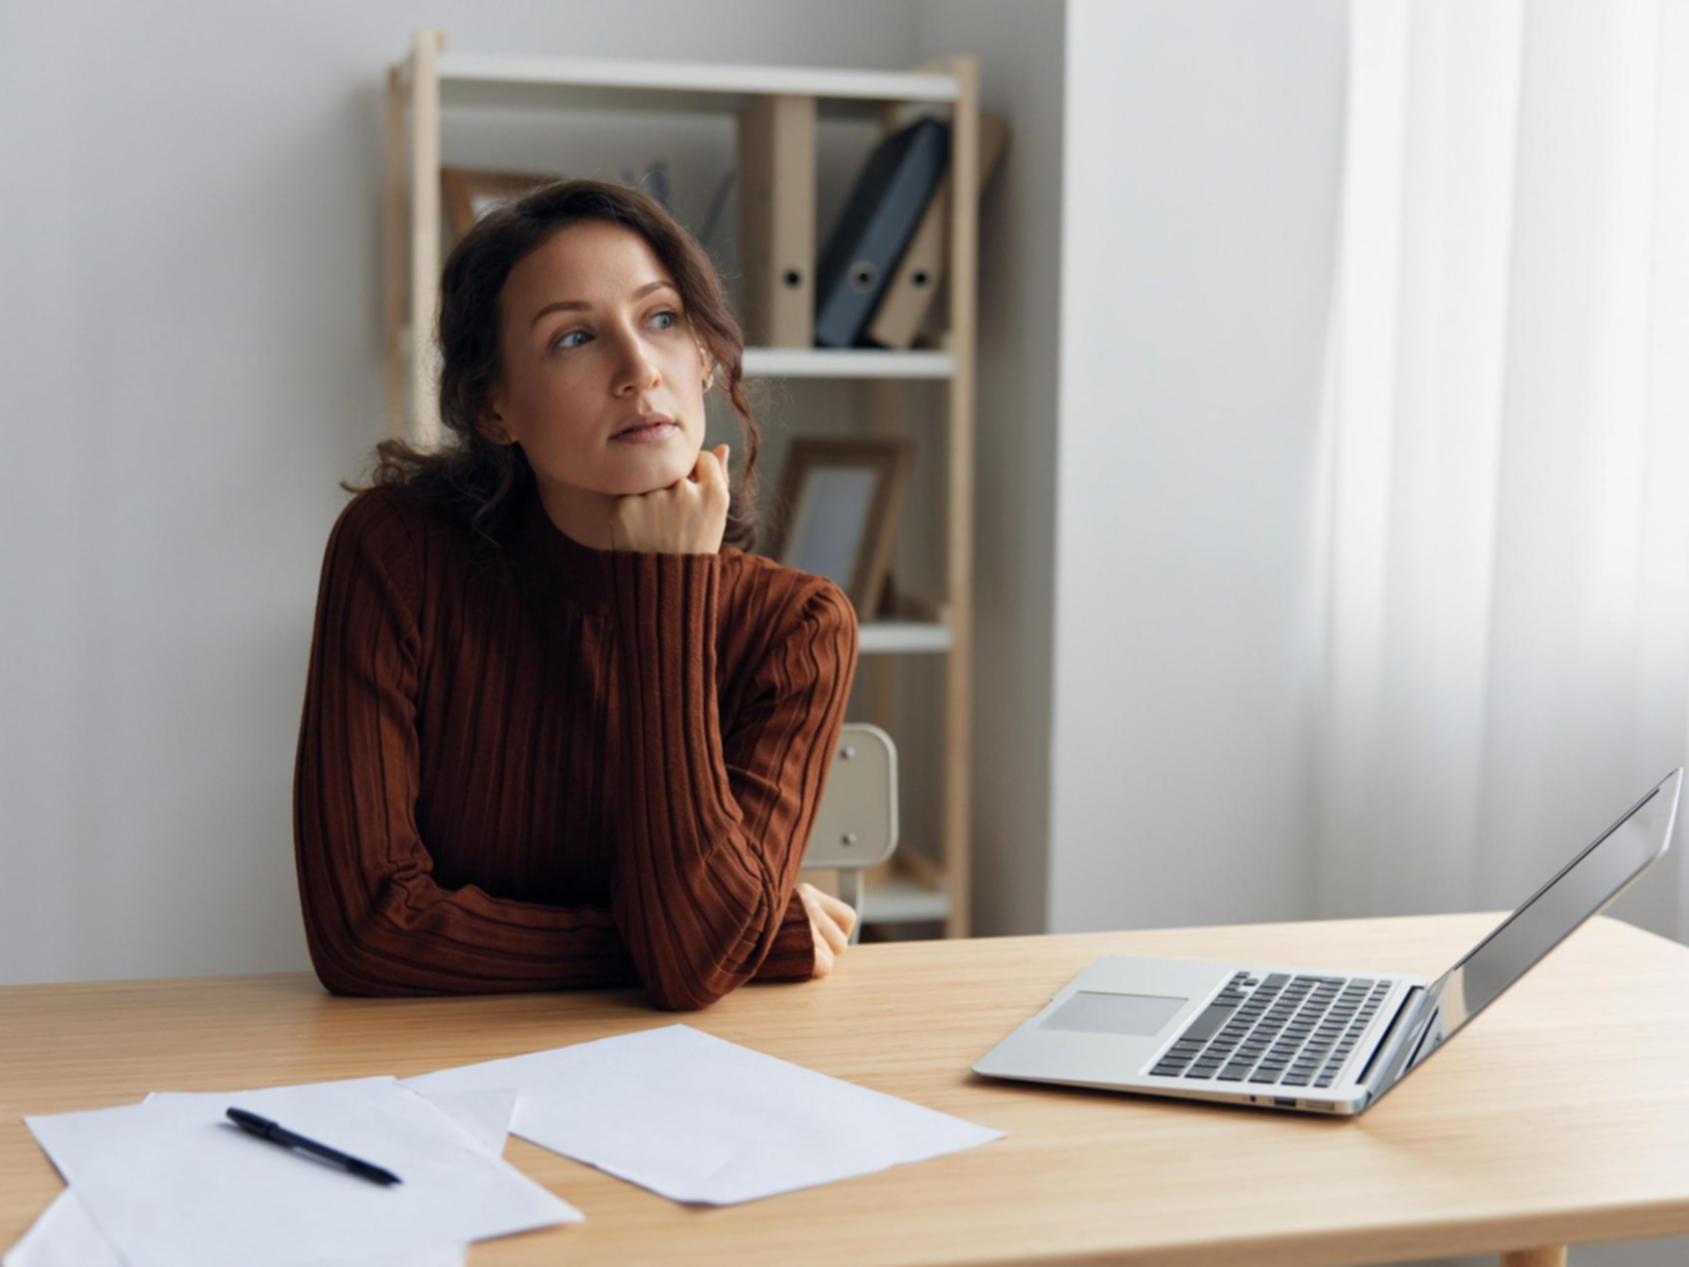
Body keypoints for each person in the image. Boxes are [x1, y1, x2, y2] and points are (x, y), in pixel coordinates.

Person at [292, 178, 860, 1010]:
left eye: (662, 319)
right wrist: (747, 934)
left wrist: (666, 593)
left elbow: (692, 969)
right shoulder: (398, 554)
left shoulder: (795, 626)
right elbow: (366, 933)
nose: (638, 371)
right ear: (494, 407)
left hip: (691, 1091)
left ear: (704, 357)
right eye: (574, 338)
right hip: (432, 1080)